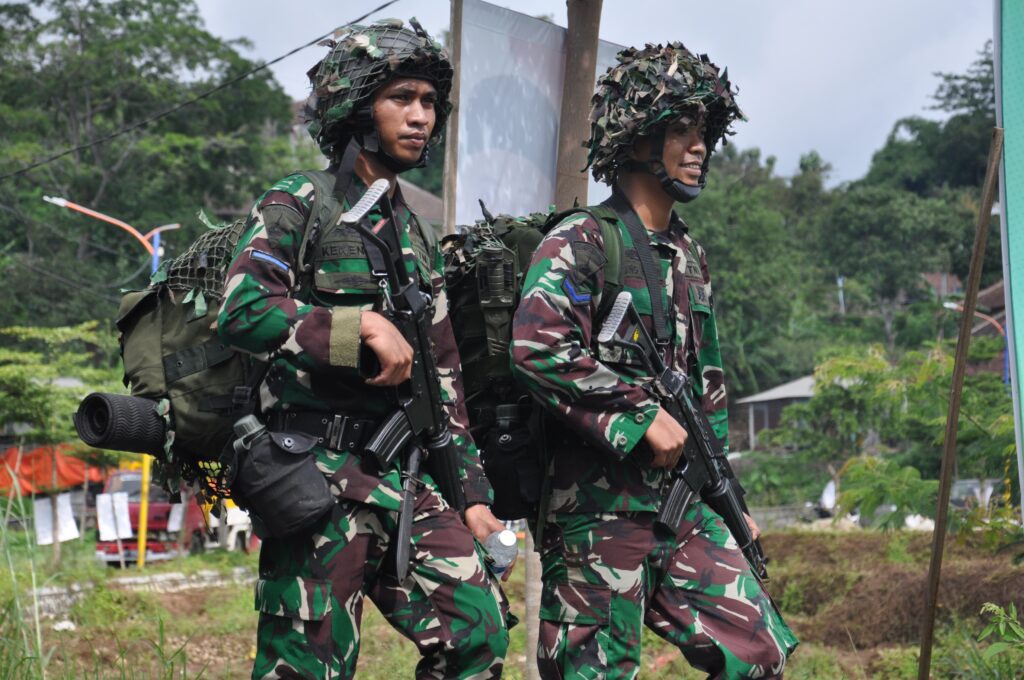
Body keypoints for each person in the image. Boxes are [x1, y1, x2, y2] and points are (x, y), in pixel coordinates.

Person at [218, 19, 511, 679]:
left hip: (402, 480)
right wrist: (353, 330)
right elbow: (242, 308)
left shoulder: (420, 236)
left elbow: (445, 382)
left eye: (429, 103)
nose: (419, 117)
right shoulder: (301, 202)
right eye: (401, 98)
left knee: (479, 634)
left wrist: (472, 497)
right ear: (357, 107)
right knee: (308, 667)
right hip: (311, 476)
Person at [510, 42, 798, 679]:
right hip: (596, 511)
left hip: (683, 501)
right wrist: (639, 415)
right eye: (680, 131)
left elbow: (707, 384)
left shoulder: (687, 256)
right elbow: (536, 347)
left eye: (704, 132)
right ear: (637, 138)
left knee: (759, 653)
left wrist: (729, 491)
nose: (698, 148)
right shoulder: (583, 240)